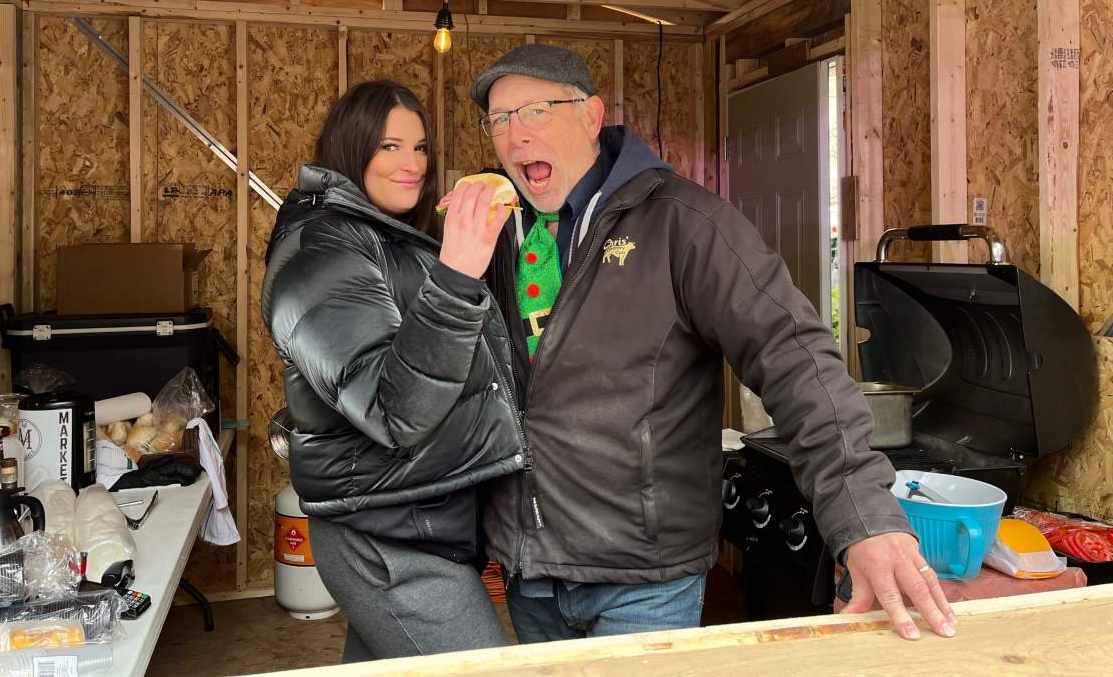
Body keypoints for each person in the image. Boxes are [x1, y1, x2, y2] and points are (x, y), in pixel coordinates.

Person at [453, 44, 957, 644]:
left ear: (591, 116)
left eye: (535, 111)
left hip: (642, 580)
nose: (514, 137)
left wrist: (866, 518)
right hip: (530, 571)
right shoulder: (494, 232)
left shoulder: (685, 224)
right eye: (500, 120)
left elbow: (794, 358)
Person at [261, 79, 525, 662]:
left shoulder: (383, 237)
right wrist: (457, 276)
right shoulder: (322, 251)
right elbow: (394, 408)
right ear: (350, 150)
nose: (412, 165)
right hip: (384, 535)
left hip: (413, 518)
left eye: (421, 148)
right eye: (389, 147)